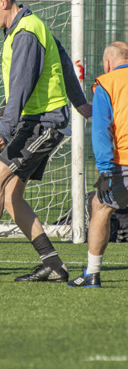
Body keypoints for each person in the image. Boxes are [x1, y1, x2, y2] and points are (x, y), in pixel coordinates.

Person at [0, 0, 92, 282]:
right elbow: (65, 62)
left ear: (3, 2)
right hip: (39, 121)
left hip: (43, 123)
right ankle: (54, 265)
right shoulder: (30, 26)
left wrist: (4, 127)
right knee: (11, 195)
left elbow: (20, 87)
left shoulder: (26, 34)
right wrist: (80, 102)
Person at [68, 42, 128, 288]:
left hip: (122, 163)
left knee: (100, 207)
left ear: (107, 63)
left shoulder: (107, 83)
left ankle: (92, 273)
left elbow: (102, 131)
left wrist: (104, 170)